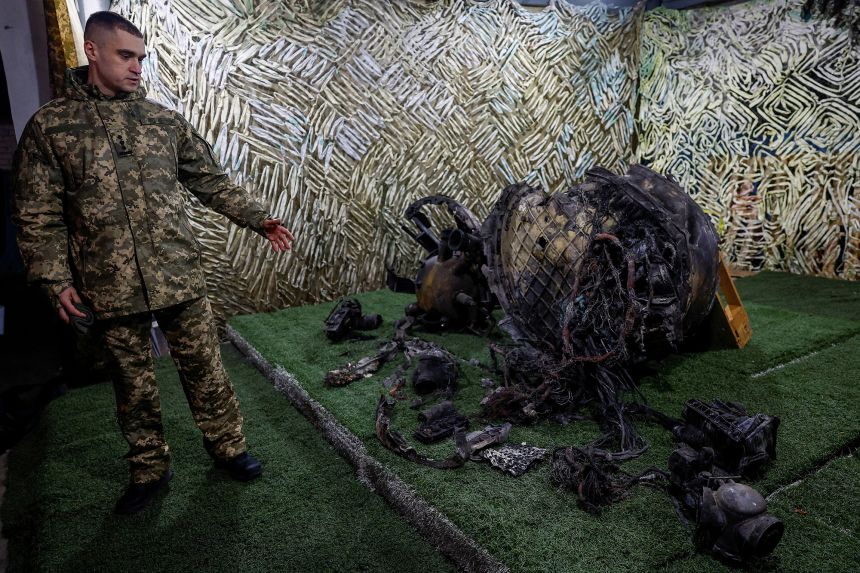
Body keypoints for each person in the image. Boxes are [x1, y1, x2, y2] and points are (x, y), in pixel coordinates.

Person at [12, 11, 294, 514]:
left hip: (177, 274)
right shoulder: (51, 127)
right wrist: (54, 281)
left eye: (141, 58)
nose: (137, 67)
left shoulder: (162, 121)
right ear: (92, 51)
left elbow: (209, 181)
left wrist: (259, 219)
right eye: (125, 55)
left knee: (206, 368)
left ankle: (228, 448)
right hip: (110, 285)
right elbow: (38, 214)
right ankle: (149, 468)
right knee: (133, 383)